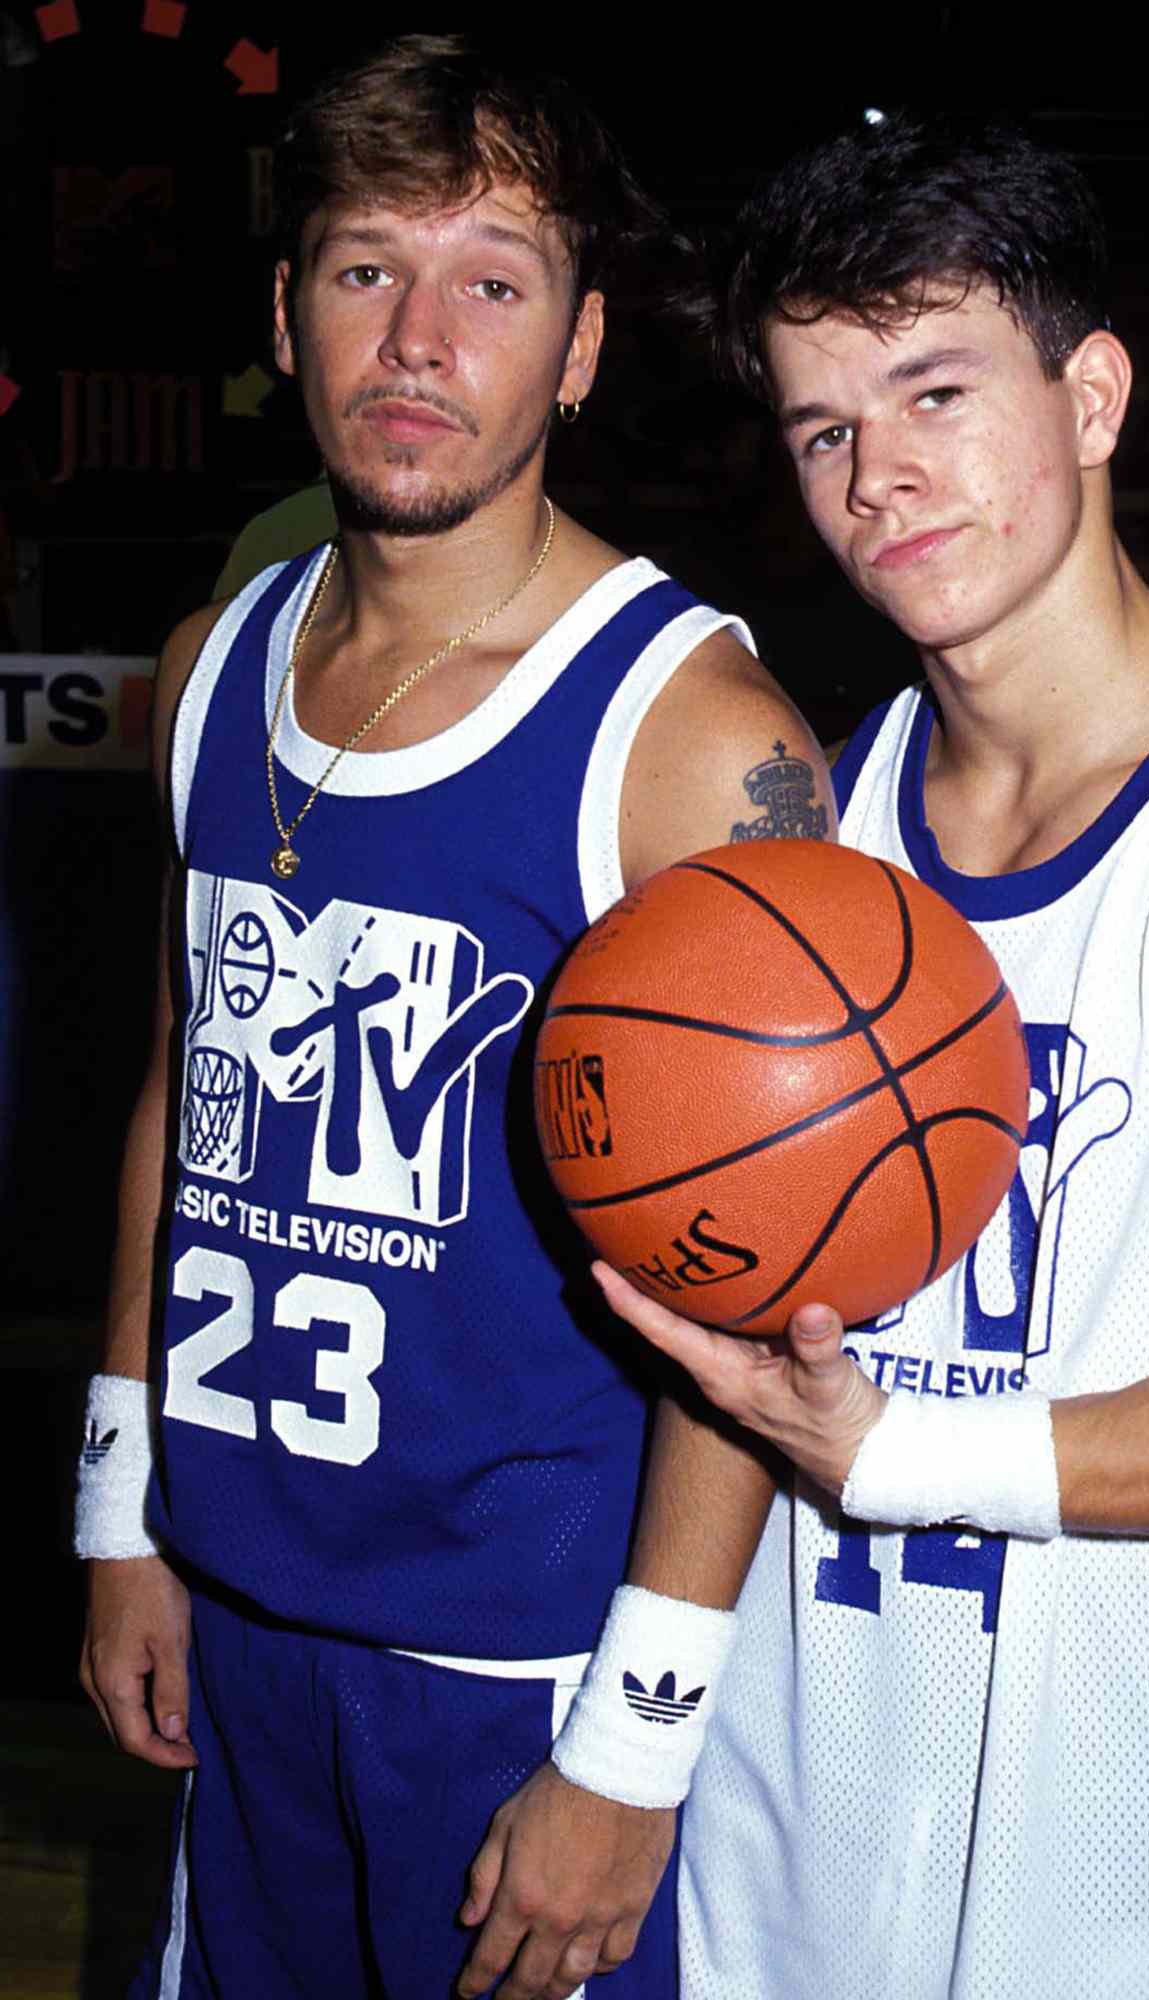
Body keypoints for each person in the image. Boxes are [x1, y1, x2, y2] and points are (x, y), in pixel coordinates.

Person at [593, 113, 1149, 1999]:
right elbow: (738, 1337)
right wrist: (636, 1738)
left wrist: (913, 1449)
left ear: (1092, 395)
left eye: (935, 391)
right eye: (826, 426)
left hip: (1104, 1873)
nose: (880, 478)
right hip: (771, 1832)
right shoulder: (827, 825)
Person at [73, 35, 832, 2000]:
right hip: (232, 1610)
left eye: (492, 279)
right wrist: (123, 1502)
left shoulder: (690, 736)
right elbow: (184, 1085)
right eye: (362, 270)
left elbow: (775, 1267)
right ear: (286, 310)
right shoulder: (211, 662)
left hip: (525, 1664)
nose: (418, 336)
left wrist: (638, 1736)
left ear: (577, 348)